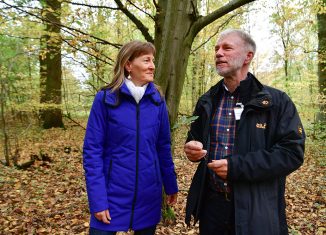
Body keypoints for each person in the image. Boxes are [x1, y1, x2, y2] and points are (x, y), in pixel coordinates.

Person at [184, 29, 305, 235]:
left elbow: (292, 154)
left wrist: (237, 167)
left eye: (227, 48)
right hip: (212, 208)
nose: (218, 53)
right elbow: (195, 139)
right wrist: (192, 149)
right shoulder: (207, 100)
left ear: (248, 56)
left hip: (256, 210)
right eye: (216, 49)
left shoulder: (276, 102)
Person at [83, 40, 178, 235]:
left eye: (153, 61)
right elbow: (92, 152)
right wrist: (98, 200)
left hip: (148, 197)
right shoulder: (105, 99)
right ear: (128, 65)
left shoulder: (157, 101)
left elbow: (163, 147)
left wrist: (170, 185)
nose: (152, 66)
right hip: (111, 196)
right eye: (146, 60)